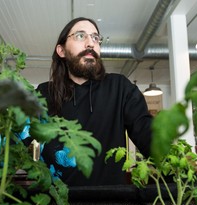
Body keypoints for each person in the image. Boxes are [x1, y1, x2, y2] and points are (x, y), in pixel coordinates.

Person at [36, 17, 153, 187]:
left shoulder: (120, 88)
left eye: (95, 37)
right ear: (61, 50)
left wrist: (184, 176)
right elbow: (13, 141)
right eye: (80, 36)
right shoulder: (44, 93)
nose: (91, 43)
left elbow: (147, 134)